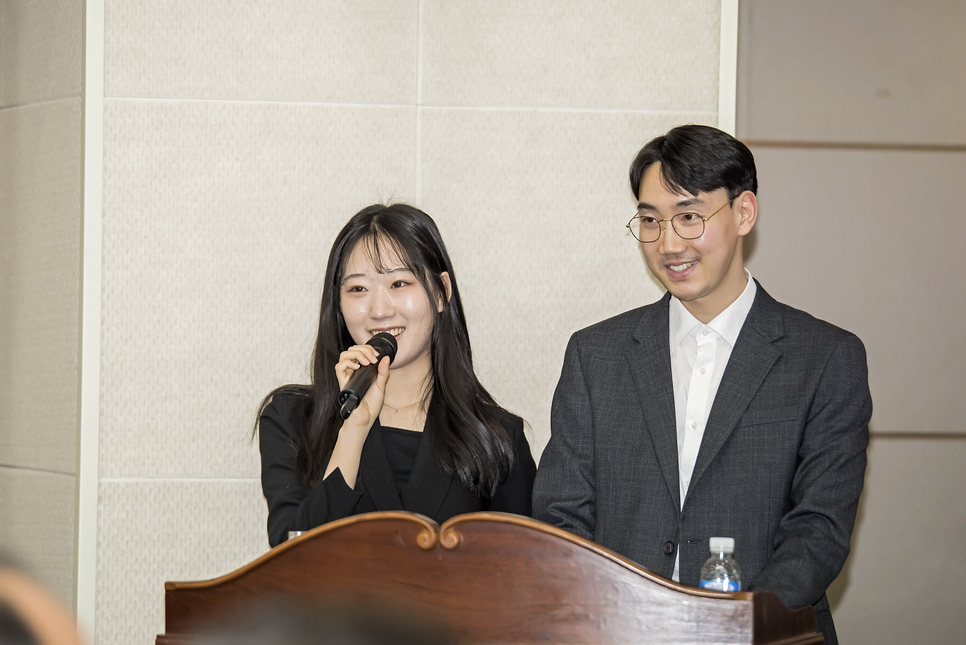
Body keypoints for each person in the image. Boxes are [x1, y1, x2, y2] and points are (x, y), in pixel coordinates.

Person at [532, 125, 871, 644]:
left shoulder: (825, 358)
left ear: (744, 213)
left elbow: (818, 529)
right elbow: (562, 516)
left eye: (689, 216)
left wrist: (735, 628)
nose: (669, 244)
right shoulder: (595, 354)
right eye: (651, 221)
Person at [258, 203, 535, 548]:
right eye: (358, 289)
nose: (379, 310)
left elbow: (521, 569)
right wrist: (352, 429)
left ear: (441, 292)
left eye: (399, 283)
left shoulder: (496, 436)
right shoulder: (291, 418)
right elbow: (292, 558)